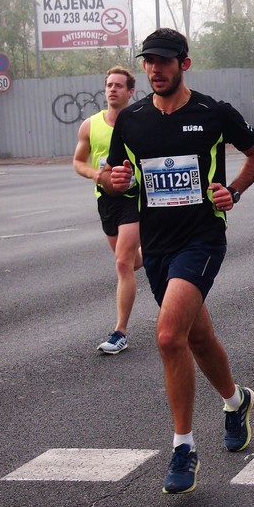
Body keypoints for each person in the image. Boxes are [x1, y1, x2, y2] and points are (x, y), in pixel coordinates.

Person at [99, 28, 254, 495]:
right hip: (156, 246)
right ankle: (236, 402)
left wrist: (232, 189)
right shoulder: (131, 120)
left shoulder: (212, 113)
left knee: (168, 334)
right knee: (198, 336)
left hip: (201, 239)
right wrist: (114, 179)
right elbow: (112, 176)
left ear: (184, 64)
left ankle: (183, 447)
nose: (155, 69)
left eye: (164, 61)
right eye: (148, 62)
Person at [73, 66, 142, 355]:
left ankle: (120, 332)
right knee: (131, 260)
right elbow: (78, 161)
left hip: (134, 197)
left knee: (122, 264)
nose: (113, 89)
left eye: (119, 85)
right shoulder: (90, 125)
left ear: (130, 92)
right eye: (109, 85)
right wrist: (95, 175)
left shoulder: (140, 123)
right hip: (106, 200)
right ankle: (159, 253)